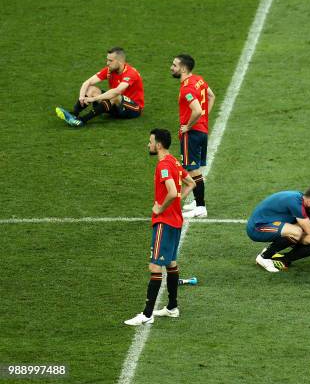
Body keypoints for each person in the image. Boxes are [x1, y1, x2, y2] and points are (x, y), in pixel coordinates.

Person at [124, 129, 195, 326]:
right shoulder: (174, 161)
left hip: (164, 221)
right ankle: (172, 307)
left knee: (155, 266)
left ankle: (147, 314)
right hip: (176, 221)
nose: (149, 145)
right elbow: (190, 183)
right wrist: (177, 204)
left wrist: (161, 207)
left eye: (151, 142)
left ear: (159, 145)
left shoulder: (164, 165)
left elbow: (172, 191)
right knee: (170, 263)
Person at [247, 186, 310, 273]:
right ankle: (263, 257)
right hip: (257, 227)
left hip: (270, 223)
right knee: (296, 232)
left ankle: (283, 259)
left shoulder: (302, 199)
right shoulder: (296, 203)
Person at [170, 54, 215, 218]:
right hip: (202, 131)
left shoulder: (187, 88)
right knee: (195, 169)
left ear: (183, 68)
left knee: (193, 170)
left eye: (174, 65)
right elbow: (211, 96)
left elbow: (196, 110)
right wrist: (204, 118)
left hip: (193, 133)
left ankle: (201, 207)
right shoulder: (199, 79)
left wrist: (188, 126)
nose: (171, 68)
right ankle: (197, 201)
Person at [55, 47, 145, 127]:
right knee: (91, 89)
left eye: (110, 61)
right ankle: (74, 114)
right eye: (107, 60)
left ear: (120, 61)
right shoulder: (110, 70)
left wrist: (94, 99)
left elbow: (117, 91)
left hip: (133, 109)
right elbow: (87, 82)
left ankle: (82, 120)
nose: (107, 63)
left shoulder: (131, 73)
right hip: (114, 106)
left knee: (115, 95)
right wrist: (81, 97)